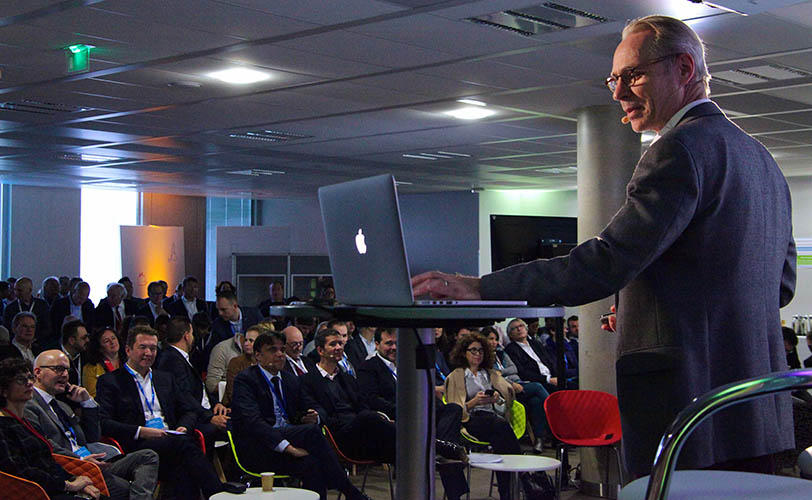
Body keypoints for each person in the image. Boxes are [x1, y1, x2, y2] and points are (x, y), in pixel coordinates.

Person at [413, 14, 795, 478]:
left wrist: (481, 286)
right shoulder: (761, 160)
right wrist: (655, 306)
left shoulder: (680, 149)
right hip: (756, 407)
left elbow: (605, 262)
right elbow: (780, 283)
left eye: (634, 74)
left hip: (689, 406)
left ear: (684, 69)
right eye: (614, 78)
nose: (617, 92)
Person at [95, 325, 245, 499]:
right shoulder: (111, 381)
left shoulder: (164, 378)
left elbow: (188, 410)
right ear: (128, 350)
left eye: (152, 348)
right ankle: (216, 491)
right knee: (184, 447)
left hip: (172, 439)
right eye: (142, 347)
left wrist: (183, 426)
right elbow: (104, 423)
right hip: (139, 443)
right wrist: (142, 431)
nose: (149, 353)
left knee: (182, 465)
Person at [230, 332, 372, 500]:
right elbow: (252, 423)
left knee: (313, 464)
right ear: (258, 355)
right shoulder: (245, 380)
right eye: (272, 350)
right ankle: (351, 493)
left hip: (289, 438)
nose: (279, 354)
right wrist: (288, 448)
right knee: (311, 433)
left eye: (282, 349)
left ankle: (345, 494)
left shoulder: (291, 380)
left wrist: (313, 416)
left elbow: (316, 407)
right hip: (260, 446)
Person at [25, 350, 159, 500]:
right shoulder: (28, 405)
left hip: (94, 460)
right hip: (70, 466)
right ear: (37, 372)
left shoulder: (63, 406)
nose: (64, 375)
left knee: (148, 456)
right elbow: (44, 444)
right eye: (58, 369)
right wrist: (79, 459)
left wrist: (87, 403)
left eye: (67, 370)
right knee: (126, 489)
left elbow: (92, 437)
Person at [357, 327, 470, 500]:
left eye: (397, 343)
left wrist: (431, 405)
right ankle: (443, 454)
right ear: (377, 344)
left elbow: (423, 390)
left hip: (420, 413)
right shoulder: (369, 367)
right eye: (389, 343)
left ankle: (440, 448)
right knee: (446, 443)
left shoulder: (407, 362)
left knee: (453, 408)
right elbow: (371, 399)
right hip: (396, 418)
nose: (394, 347)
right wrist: (407, 409)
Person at [0, 357, 101, 499]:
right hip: (34, 493)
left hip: (55, 485)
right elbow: (18, 471)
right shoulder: (3, 427)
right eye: (21, 380)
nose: (29, 383)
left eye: (30, 378)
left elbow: (49, 460)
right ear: (4, 390)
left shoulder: (29, 423)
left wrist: (75, 480)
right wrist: (67, 485)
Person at [299, 328, 396, 463]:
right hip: (336, 435)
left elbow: (362, 405)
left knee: (385, 435)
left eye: (340, 343)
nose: (339, 347)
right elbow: (320, 413)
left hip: (361, 431)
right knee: (370, 418)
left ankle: (418, 454)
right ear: (320, 351)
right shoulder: (307, 381)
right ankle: (426, 445)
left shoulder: (348, 378)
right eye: (333, 344)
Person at [445, 333, 521, 500]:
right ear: (464, 353)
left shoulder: (490, 374)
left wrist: (496, 399)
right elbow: (453, 411)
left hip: (493, 419)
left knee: (501, 443)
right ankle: (520, 474)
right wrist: (474, 402)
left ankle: (506, 492)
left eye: (480, 350)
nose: (477, 354)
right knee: (500, 429)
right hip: (470, 420)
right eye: (473, 350)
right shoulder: (457, 376)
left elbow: (505, 403)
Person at [483, 326, 549, 452]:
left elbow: (514, 369)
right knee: (537, 387)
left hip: (518, 382)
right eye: (490, 339)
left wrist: (501, 372)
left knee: (536, 401)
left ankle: (539, 439)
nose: (493, 342)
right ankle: (553, 412)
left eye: (496, 339)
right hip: (505, 388)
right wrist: (507, 380)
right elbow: (492, 376)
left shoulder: (501, 353)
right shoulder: (484, 358)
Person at [503, 319, 559, 394]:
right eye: (514, 328)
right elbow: (523, 372)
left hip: (552, 377)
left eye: (521, 326)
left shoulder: (536, 343)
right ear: (510, 335)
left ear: (526, 329)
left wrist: (557, 377)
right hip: (538, 381)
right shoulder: (511, 349)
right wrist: (548, 379)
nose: (519, 329)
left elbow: (549, 361)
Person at [222, 325, 261, 406]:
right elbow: (232, 392)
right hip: (236, 406)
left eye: (251, 341)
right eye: (246, 340)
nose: (246, 344)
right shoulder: (236, 362)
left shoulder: (266, 362)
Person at [83, 327, 124, 397]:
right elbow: (93, 395)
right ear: (100, 348)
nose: (112, 342)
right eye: (106, 341)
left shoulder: (129, 362)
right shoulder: (91, 368)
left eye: (113, 338)